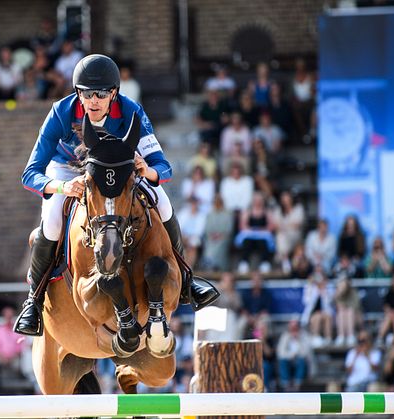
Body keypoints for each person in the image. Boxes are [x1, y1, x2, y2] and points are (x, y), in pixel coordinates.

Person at [14, 54, 219, 336]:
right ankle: (33, 302)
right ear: (77, 93)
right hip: (68, 170)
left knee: (162, 200)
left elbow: (163, 167)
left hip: (118, 170)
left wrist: (146, 170)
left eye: (100, 94)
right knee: (51, 220)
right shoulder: (61, 112)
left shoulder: (132, 112)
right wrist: (61, 187)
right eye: (86, 94)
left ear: (114, 93)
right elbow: (30, 173)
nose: (93, 101)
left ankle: (186, 280)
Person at [301, 267, 334, 347]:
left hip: (326, 313)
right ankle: (315, 337)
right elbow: (306, 301)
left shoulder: (329, 287)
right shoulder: (309, 287)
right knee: (318, 316)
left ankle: (328, 338)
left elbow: (329, 302)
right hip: (312, 314)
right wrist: (314, 289)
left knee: (328, 316)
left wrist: (323, 290)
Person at [272, 190, 305, 270]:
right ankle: (285, 259)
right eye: (284, 198)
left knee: (282, 237)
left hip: (296, 235)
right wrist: (288, 225)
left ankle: (282, 258)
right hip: (283, 235)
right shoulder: (278, 210)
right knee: (281, 237)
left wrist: (283, 226)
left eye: (287, 198)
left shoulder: (298, 208)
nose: (286, 200)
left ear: (291, 198)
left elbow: (297, 225)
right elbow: (275, 226)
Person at [201, 194, 234, 272]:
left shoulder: (228, 214)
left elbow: (229, 229)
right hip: (211, 238)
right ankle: (209, 265)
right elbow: (207, 229)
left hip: (224, 237)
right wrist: (212, 235)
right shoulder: (210, 214)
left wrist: (220, 235)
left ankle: (218, 266)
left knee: (219, 245)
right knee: (209, 244)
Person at [276, 319, 311, 391]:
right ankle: (286, 386)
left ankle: (297, 385)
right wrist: (291, 355)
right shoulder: (285, 336)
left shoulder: (304, 336)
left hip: (301, 363)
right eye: (292, 327)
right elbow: (280, 353)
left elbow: (306, 353)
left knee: (301, 360)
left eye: (295, 327)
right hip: (288, 362)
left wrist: (298, 340)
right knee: (283, 361)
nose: (294, 329)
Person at [333, 274, 361, 347]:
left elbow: (356, 306)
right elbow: (332, 305)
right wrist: (338, 294)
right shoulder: (337, 293)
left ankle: (350, 335)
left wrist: (345, 306)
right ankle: (341, 336)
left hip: (355, 315)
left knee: (349, 312)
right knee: (341, 312)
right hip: (341, 315)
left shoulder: (353, 292)